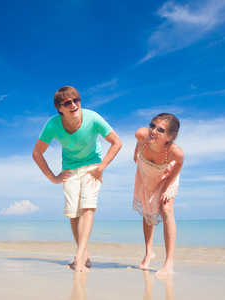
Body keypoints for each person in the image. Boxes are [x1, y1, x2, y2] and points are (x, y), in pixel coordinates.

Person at [32, 86, 122, 273]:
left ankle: (78, 257)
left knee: (88, 207)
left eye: (76, 100)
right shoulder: (52, 125)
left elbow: (117, 142)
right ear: (60, 108)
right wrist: (53, 178)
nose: (73, 105)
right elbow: (37, 153)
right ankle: (85, 255)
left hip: (92, 166)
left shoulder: (93, 118)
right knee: (74, 213)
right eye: (67, 103)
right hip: (70, 168)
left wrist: (101, 167)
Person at [132, 113, 184, 276]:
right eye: (152, 125)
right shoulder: (141, 134)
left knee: (166, 210)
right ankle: (149, 253)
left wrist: (167, 187)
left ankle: (169, 262)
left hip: (168, 175)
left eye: (160, 130)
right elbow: (139, 141)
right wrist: (136, 153)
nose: (153, 131)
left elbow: (179, 165)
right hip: (146, 172)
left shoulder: (175, 152)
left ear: (169, 137)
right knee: (148, 212)